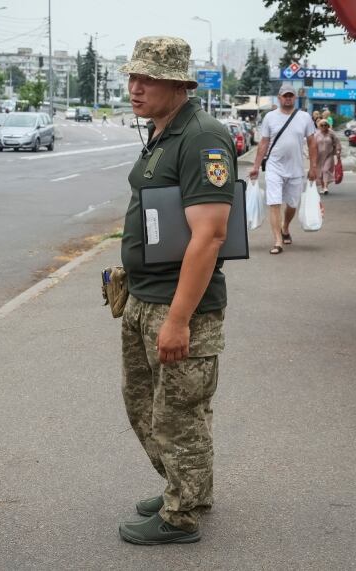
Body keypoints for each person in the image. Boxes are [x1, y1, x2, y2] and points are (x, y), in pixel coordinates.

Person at [116, 36, 235, 545]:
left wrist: (179, 319)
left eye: (148, 79)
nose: (135, 87)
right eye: (133, 77)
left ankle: (182, 513)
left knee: (177, 413)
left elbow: (209, 235)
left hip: (179, 305)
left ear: (178, 84)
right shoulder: (162, 131)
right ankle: (183, 485)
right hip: (145, 296)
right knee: (143, 404)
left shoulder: (203, 137)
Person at [249, 84, 317, 254]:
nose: (288, 98)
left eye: (291, 96)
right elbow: (263, 143)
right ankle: (278, 240)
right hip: (274, 167)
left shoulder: (304, 117)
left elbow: (312, 142)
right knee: (274, 202)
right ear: (279, 98)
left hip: (296, 169)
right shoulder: (270, 117)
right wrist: (256, 166)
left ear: (295, 98)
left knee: (292, 204)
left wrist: (313, 167)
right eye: (285, 95)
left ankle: (285, 226)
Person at [314, 119, 342, 195]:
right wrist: (311, 155)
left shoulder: (331, 133)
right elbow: (312, 145)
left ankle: (326, 187)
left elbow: (337, 142)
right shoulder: (316, 134)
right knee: (320, 172)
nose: (324, 126)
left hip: (329, 155)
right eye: (322, 125)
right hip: (319, 157)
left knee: (325, 170)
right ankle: (323, 187)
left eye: (325, 125)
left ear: (328, 125)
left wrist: (338, 151)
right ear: (319, 126)